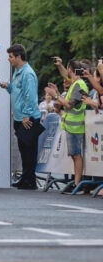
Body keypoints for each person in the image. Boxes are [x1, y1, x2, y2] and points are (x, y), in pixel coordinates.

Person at [53, 61, 100, 192]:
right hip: (72, 125)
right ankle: (77, 182)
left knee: (76, 155)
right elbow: (66, 77)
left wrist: (55, 95)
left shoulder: (79, 84)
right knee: (74, 155)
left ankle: (77, 183)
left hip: (76, 126)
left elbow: (69, 105)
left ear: (70, 69)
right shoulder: (76, 83)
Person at [0, 44, 41, 189]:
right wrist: (8, 87)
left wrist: (27, 115)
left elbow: (30, 96)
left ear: (18, 56)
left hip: (26, 118)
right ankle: (25, 178)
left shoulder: (27, 73)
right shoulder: (17, 72)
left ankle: (30, 180)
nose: (9, 59)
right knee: (24, 150)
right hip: (18, 117)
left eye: (11, 56)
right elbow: (18, 90)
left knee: (29, 150)